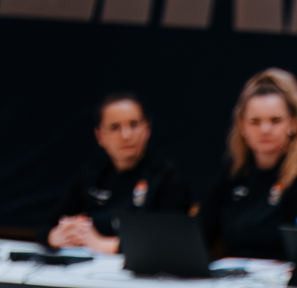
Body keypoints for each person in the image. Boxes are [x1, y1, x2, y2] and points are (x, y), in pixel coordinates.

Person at [199, 69, 297, 260]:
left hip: (284, 276)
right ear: (242, 126)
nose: (265, 129)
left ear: (293, 124)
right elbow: (200, 235)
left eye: (275, 121)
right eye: (255, 122)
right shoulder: (234, 174)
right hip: (233, 274)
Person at [47, 93, 191, 252]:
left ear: (147, 129)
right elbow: (48, 225)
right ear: (100, 136)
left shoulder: (167, 178)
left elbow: (170, 241)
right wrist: (58, 236)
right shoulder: (91, 176)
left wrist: (103, 244)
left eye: (134, 124)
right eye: (115, 127)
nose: (126, 135)